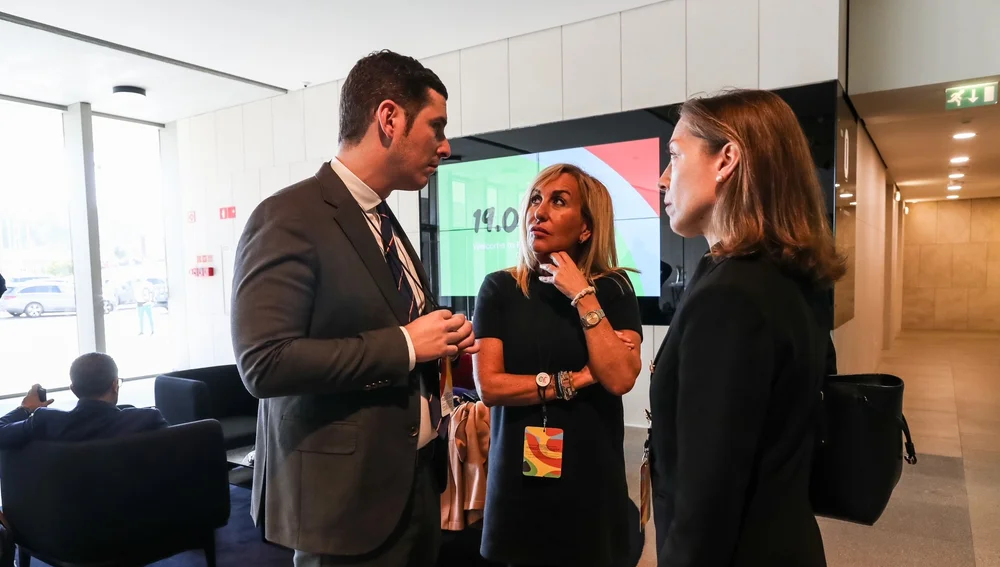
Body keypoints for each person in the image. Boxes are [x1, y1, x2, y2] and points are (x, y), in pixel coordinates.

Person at [231, 50, 477, 567]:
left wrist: (442, 339)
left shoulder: (383, 218)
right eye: (436, 127)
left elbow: (389, 320)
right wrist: (409, 345)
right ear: (388, 118)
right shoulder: (287, 217)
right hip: (343, 505)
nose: (445, 146)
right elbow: (264, 363)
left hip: (412, 482)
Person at [649, 89, 845, 567]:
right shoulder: (790, 277)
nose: (662, 178)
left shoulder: (730, 298)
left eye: (675, 155)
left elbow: (708, 497)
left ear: (726, 160)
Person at [472, 163, 643, 567]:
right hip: (518, 480)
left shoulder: (614, 289)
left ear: (586, 227)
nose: (539, 211)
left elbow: (618, 377)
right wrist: (575, 379)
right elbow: (491, 387)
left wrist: (582, 294)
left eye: (558, 201)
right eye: (535, 199)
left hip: (592, 477)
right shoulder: (499, 288)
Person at [0, 352, 167, 448]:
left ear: (73, 390)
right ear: (115, 385)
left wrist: (25, 409)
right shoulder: (147, 419)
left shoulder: (46, 421)